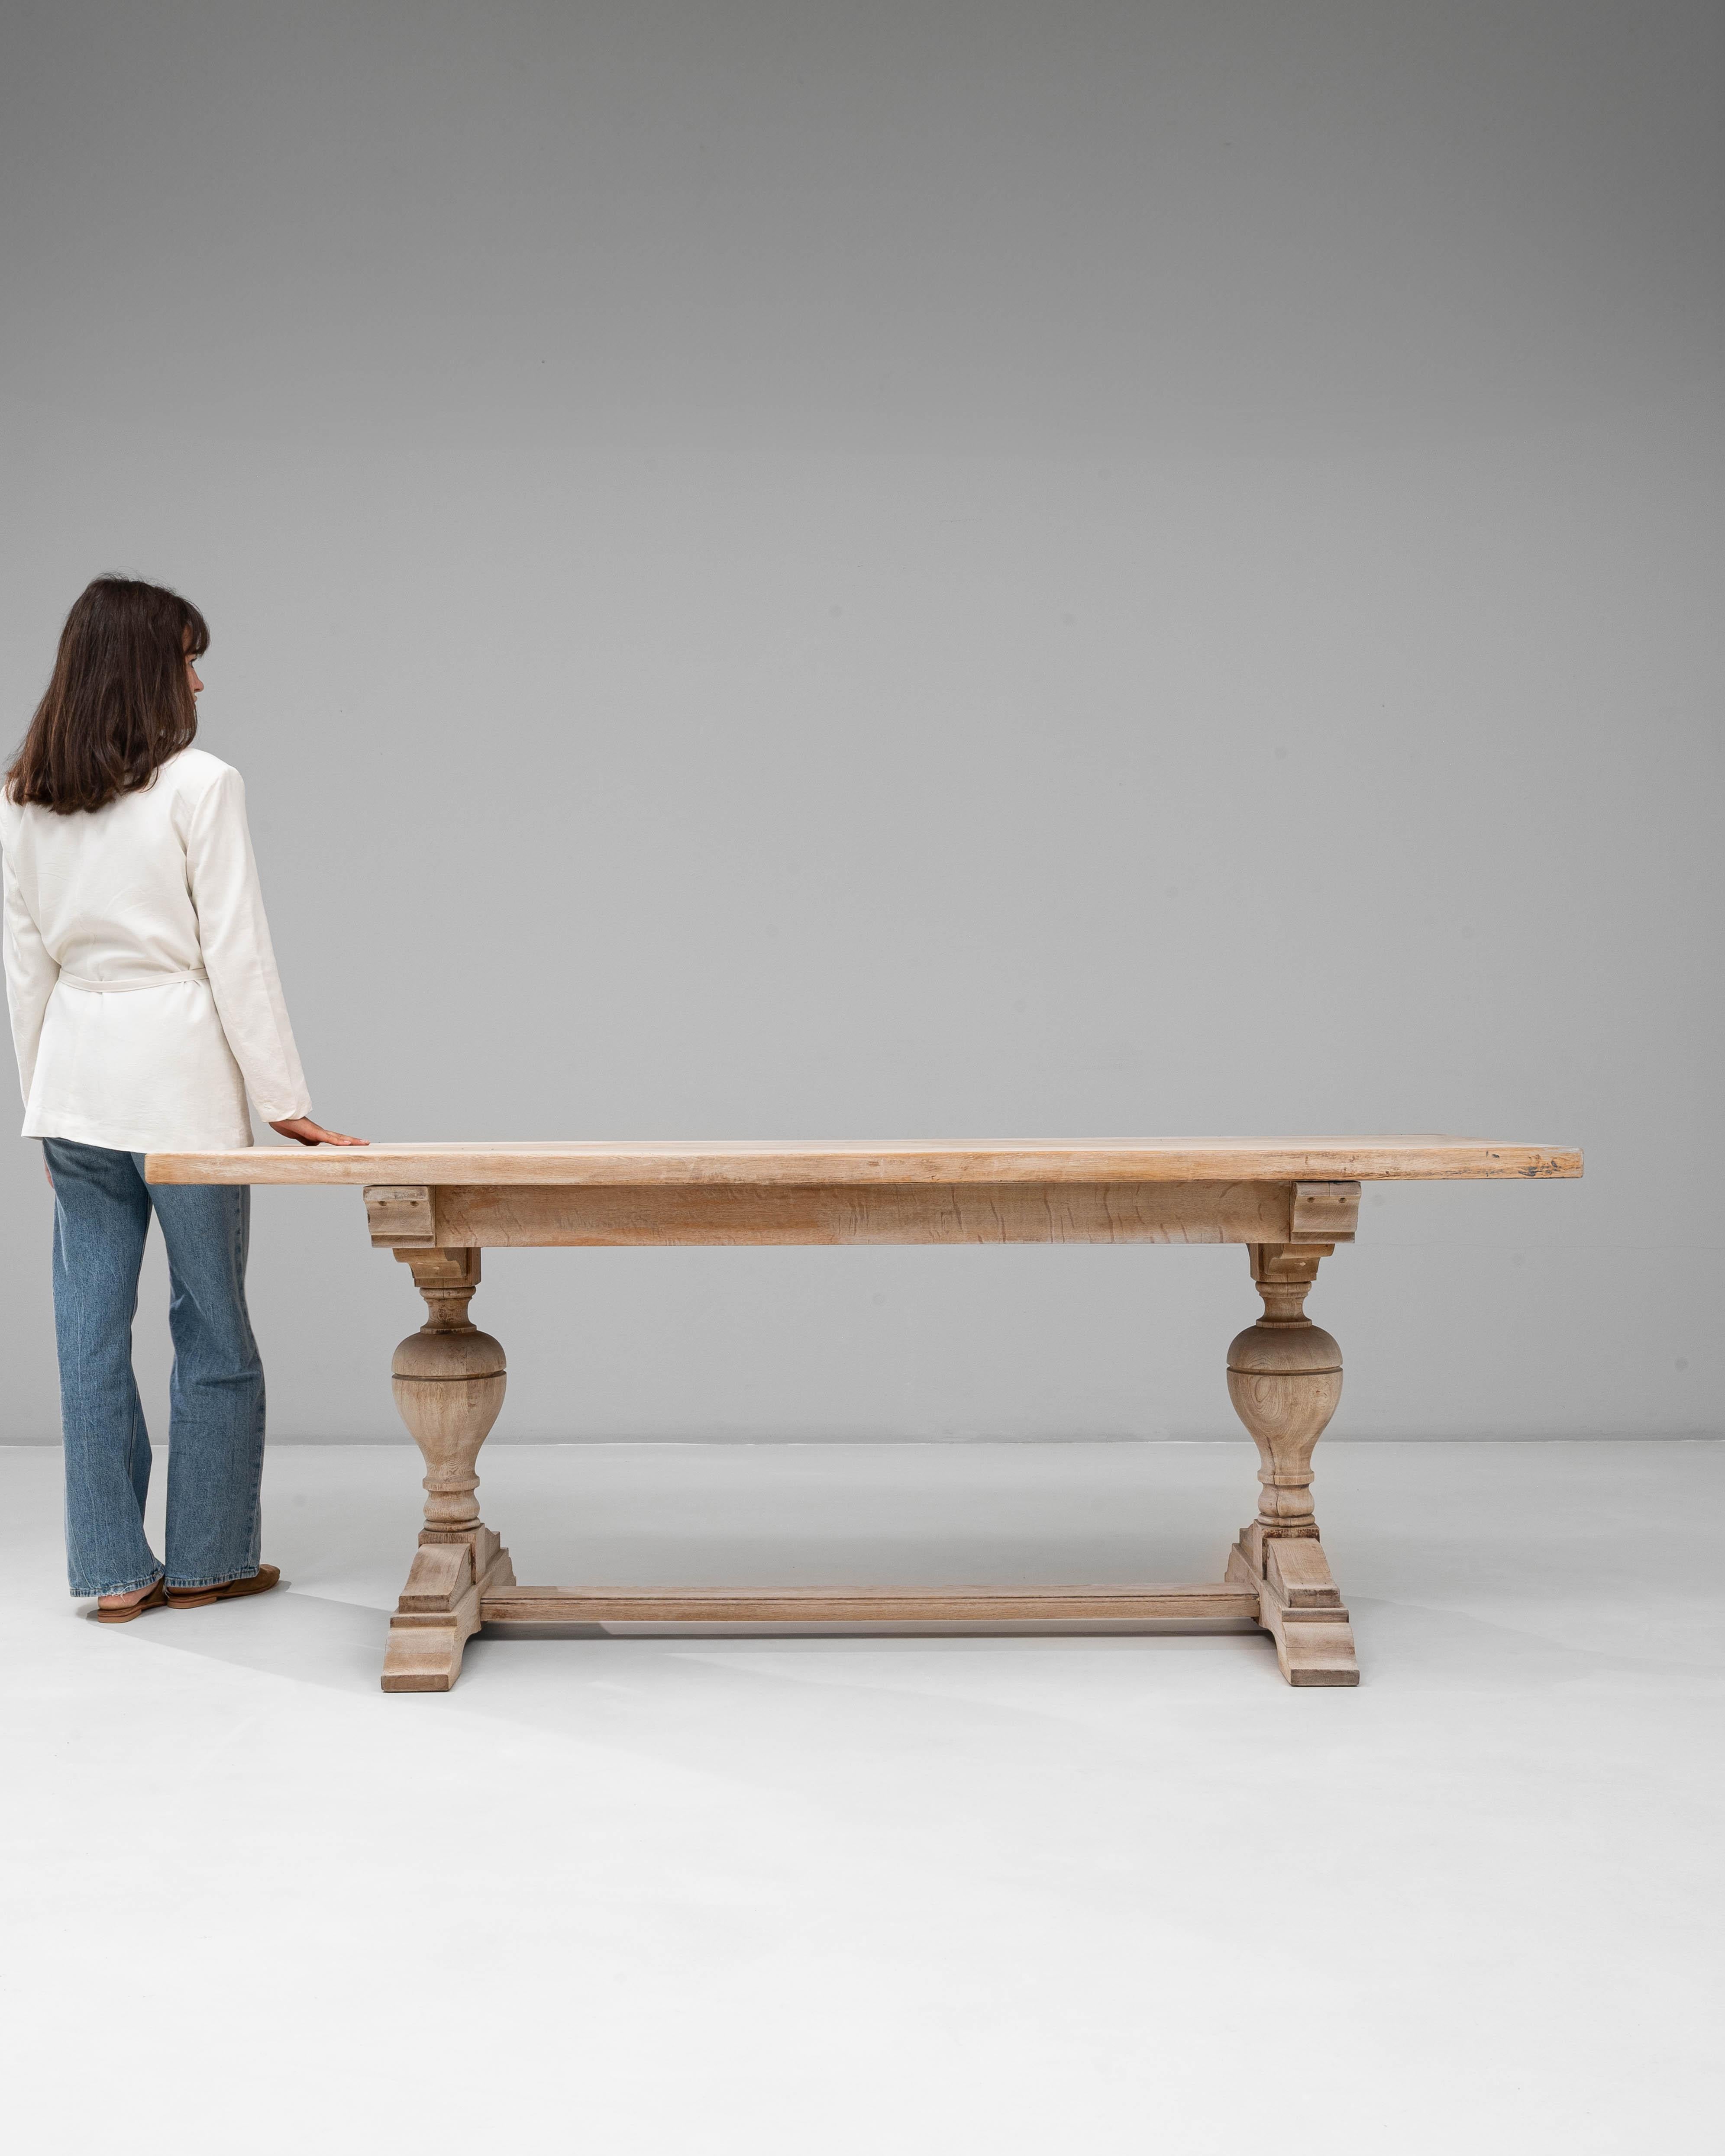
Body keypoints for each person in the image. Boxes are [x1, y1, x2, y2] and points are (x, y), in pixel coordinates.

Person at [0, 576, 366, 1622]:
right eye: (189, 659)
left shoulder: (24, 793)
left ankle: (115, 1574)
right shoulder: (203, 784)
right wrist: (286, 1102)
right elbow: (236, 953)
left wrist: (41, 1108)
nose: (199, 681)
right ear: (147, 669)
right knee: (212, 1325)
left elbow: (24, 969)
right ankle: (209, 1561)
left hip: (75, 1090)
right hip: (183, 1093)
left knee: (88, 1338)